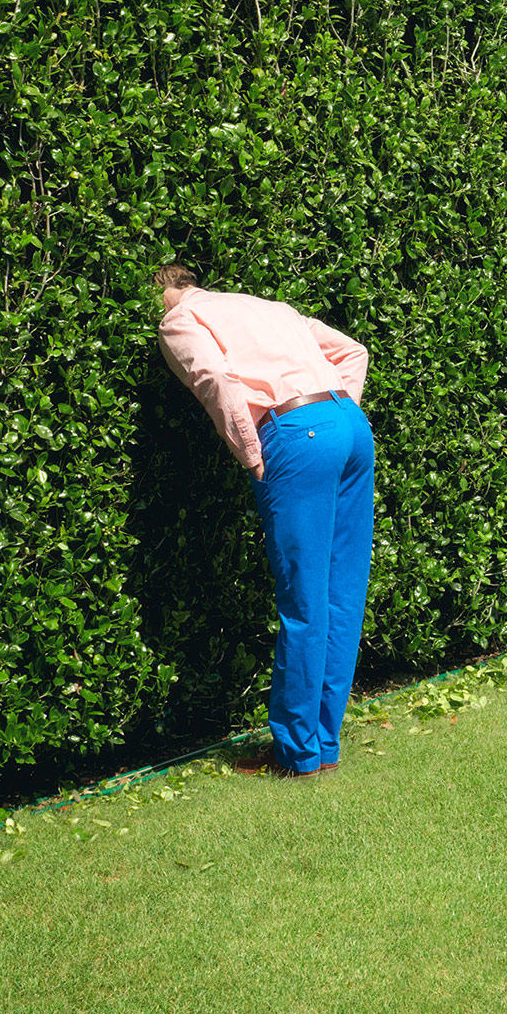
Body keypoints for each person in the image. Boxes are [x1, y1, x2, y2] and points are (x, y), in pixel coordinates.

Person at [154, 263, 374, 777]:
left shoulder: (181, 317)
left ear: (168, 291)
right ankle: (323, 744)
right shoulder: (267, 306)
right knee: (342, 591)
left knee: (303, 597)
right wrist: (339, 413)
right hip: (349, 426)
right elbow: (353, 351)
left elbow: (213, 378)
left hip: (296, 433)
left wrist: (249, 450)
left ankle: (296, 756)